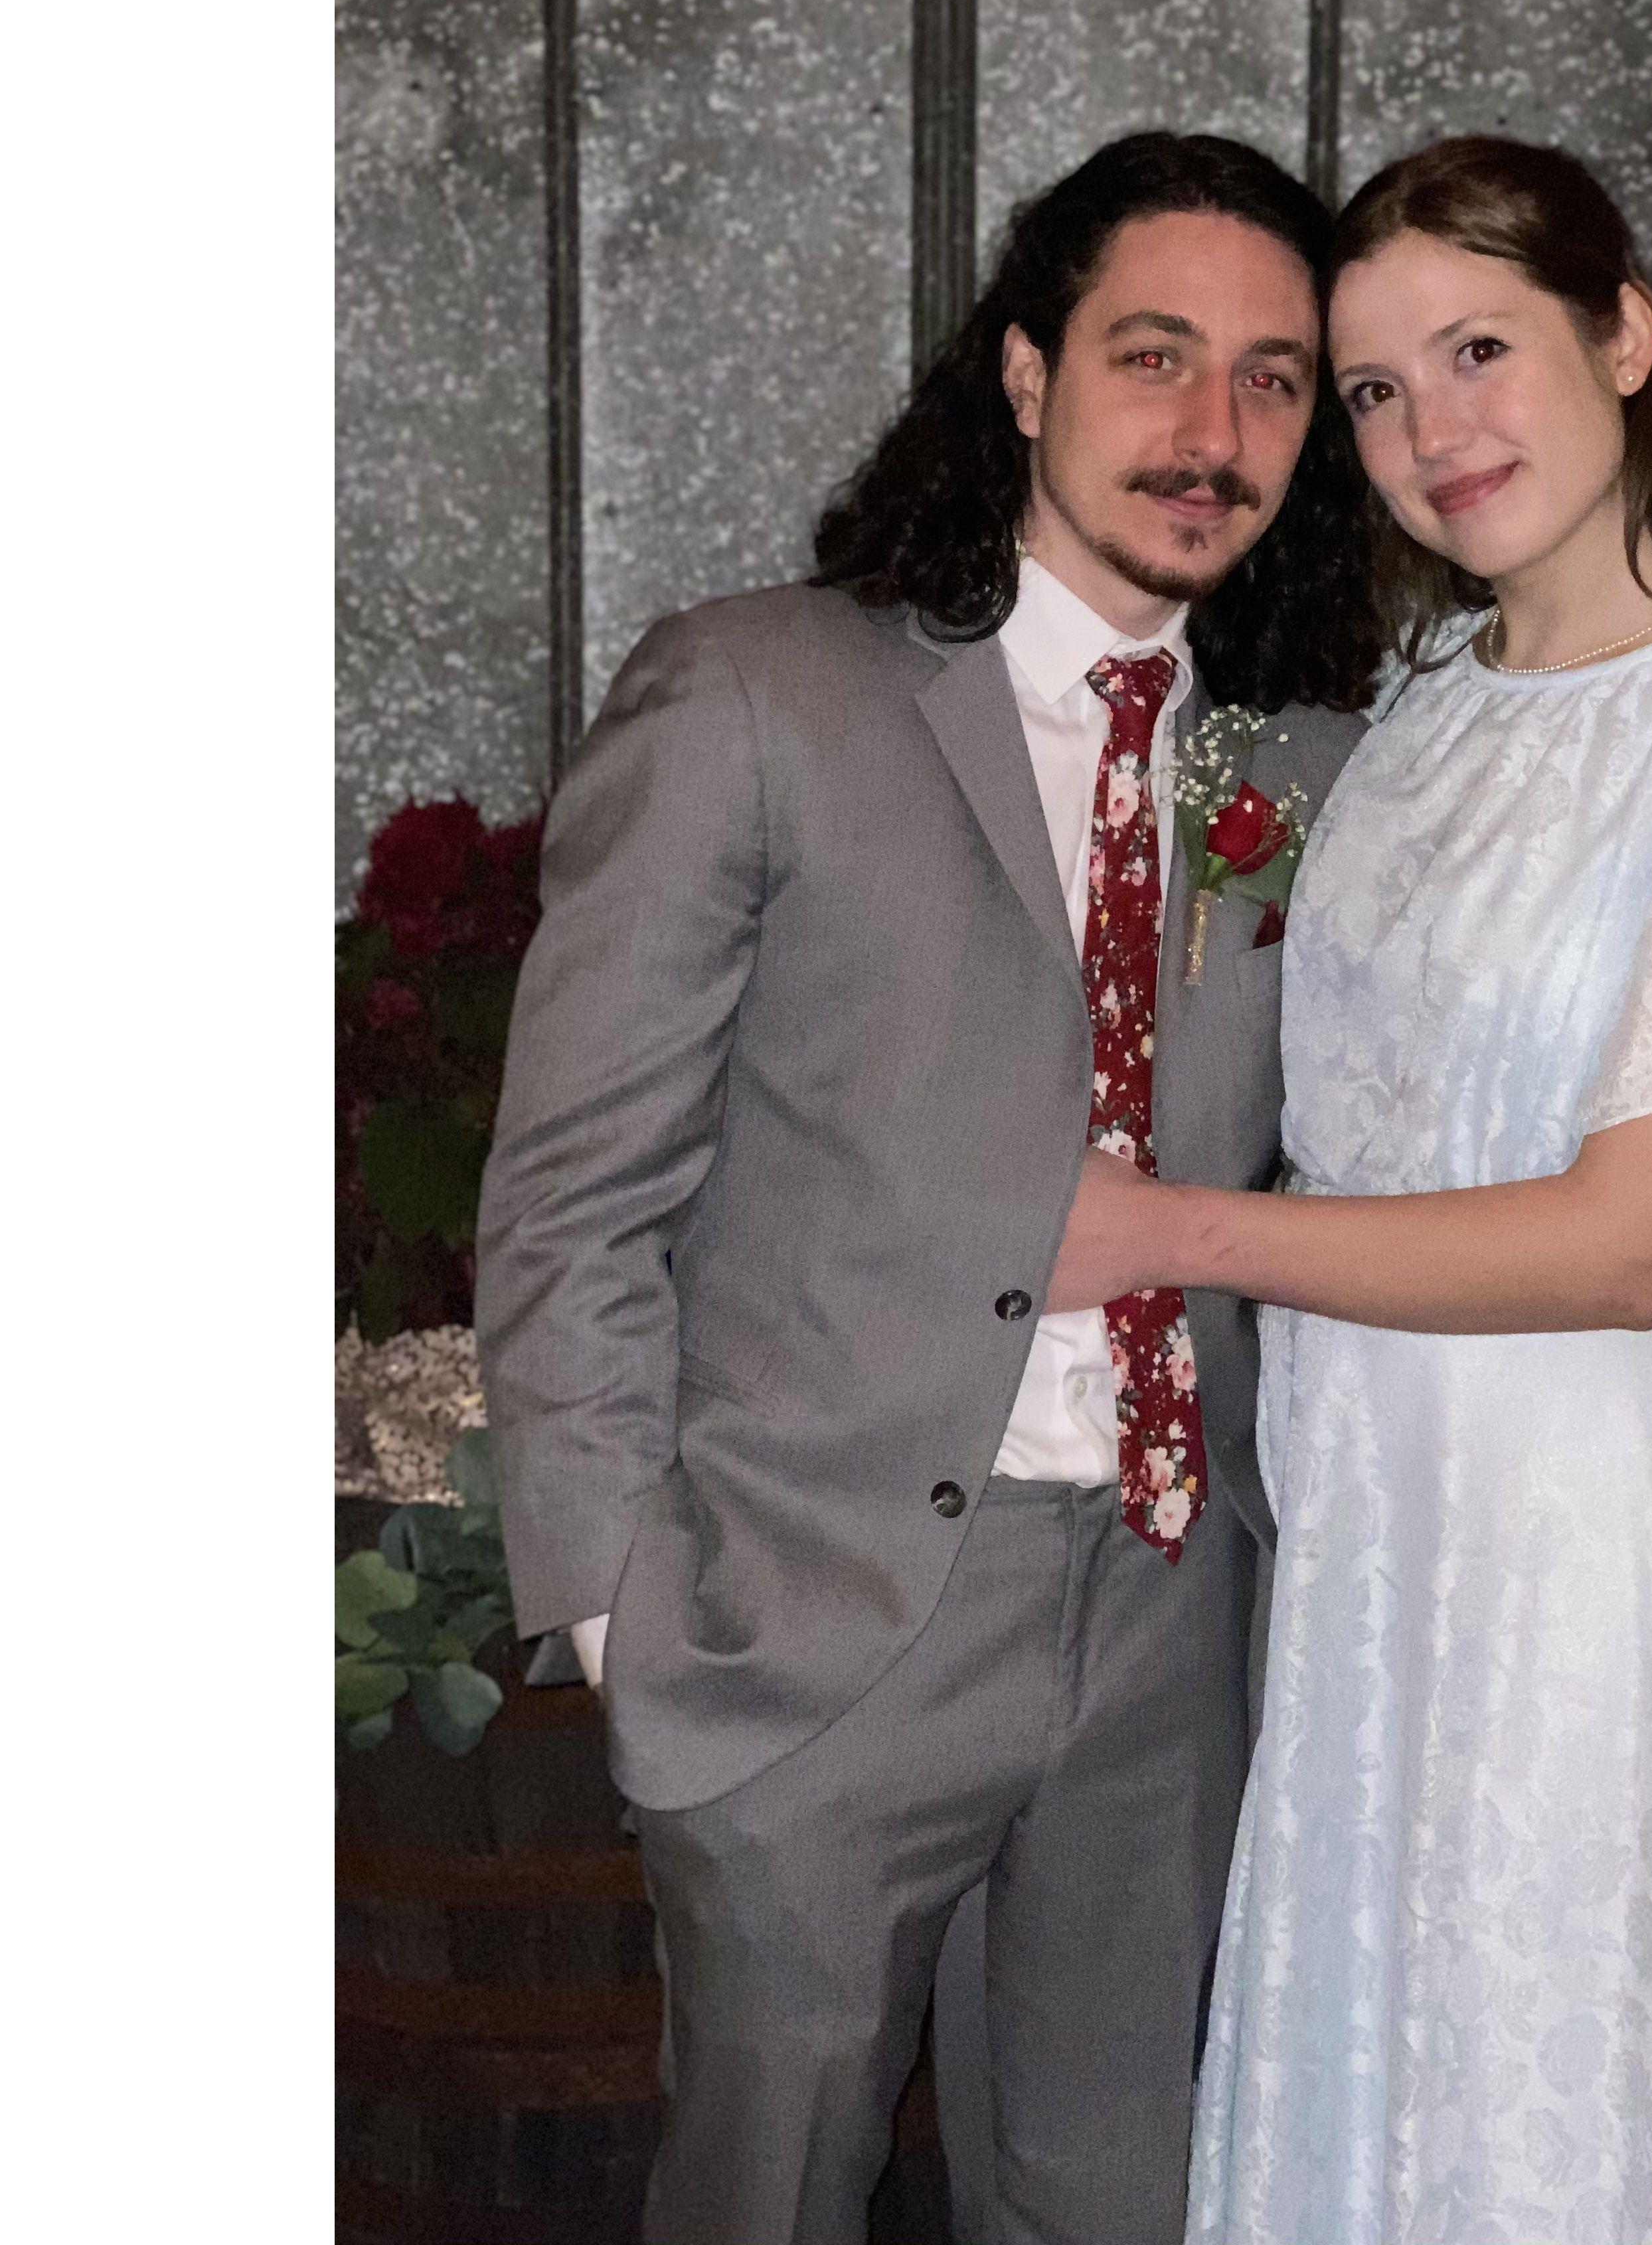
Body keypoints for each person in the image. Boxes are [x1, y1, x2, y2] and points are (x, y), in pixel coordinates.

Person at [475, 130, 1383, 2245]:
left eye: (1270, 379)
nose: (1212, 427)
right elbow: (574, 1190)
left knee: (1114, 2201)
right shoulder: (759, 694)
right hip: (813, 1622)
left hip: (1168, 1612)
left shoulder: (1306, 766)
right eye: (1154, 354)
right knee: (768, 2202)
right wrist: (621, 1611)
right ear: (1027, 373)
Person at [1047, 135, 1652, 2245]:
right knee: (1381, 2078)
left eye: (1480, 350)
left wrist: (1167, 1235)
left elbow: (1632, 1245)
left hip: (1580, 1524)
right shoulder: (1423, 700)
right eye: (1372, 389)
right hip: (1372, 1506)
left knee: (1551, 2095)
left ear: (1624, 336)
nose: (1431, 431)